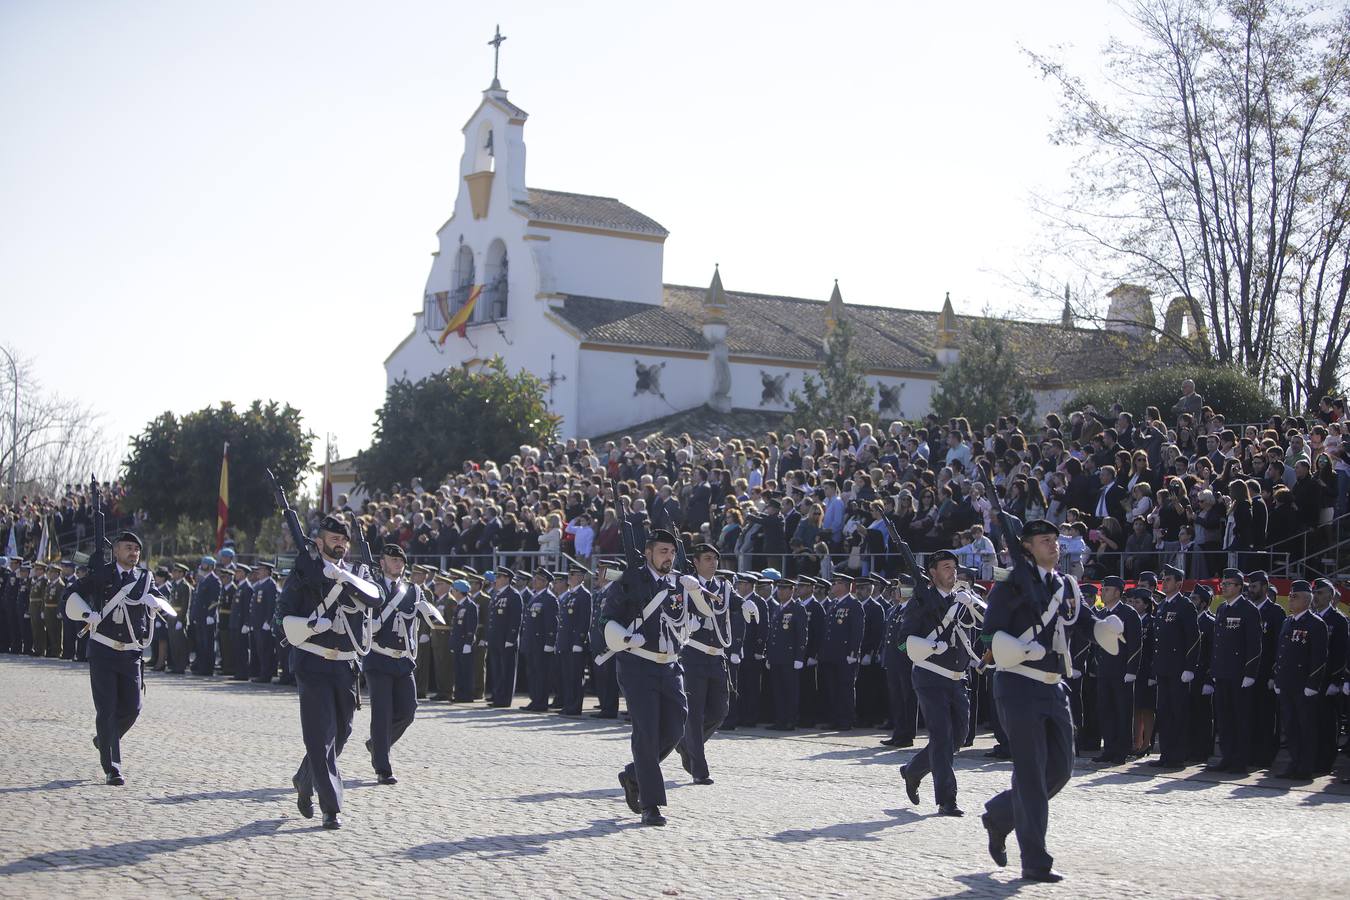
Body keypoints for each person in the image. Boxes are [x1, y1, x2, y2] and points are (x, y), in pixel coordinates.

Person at [980, 519, 1084, 883]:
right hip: (1019, 687)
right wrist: (1016, 648)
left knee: (1061, 770)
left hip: (1054, 687)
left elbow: (1076, 621)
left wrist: (1100, 625)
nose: (1054, 546)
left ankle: (1000, 815)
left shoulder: (1063, 584)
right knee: (1030, 774)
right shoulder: (1009, 586)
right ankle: (1035, 861)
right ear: (1027, 547)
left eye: (1056, 540)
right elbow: (988, 635)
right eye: (1045, 541)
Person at [277, 515, 384, 830]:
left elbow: (376, 598)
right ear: (319, 541)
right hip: (312, 662)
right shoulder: (302, 572)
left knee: (342, 732)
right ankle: (331, 806)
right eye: (333, 538)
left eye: (344, 540)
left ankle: (304, 776)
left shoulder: (358, 573)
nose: (339, 543)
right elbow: (280, 618)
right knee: (320, 735)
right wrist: (309, 625)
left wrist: (345, 578)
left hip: (346, 665)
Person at [602, 529, 710, 826]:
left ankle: (635, 774)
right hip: (638, 666)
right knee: (647, 733)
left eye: (672, 552)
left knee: (676, 729)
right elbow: (606, 619)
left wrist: (696, 590)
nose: (669, 557)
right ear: (648, 552)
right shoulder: (629, 581)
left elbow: (705, 613)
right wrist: (624, 637)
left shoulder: (678, 583)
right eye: (663, 551)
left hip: (671, 666)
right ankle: (651, 805)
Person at [66, 531, 172, 785]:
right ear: (115, 551)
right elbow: (70, 596)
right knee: (107, 709)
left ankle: (104, 739)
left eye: (136, 548)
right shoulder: (102, 574)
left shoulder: (145, 578)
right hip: (103, 650)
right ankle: (112, 768)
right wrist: (86, 614)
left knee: (133, 708)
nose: (133, 552)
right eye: (128, 548)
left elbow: (163, 601)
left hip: (131, 653)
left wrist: (156, 601)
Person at [899, 550, 979, 816]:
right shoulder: (921, 602)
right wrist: (932, 646)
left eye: (954, 568)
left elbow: (979, 630)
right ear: (932, 573)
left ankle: (913, 770)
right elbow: (904, 640)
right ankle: (947, 799)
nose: (952, 573)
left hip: (958, 679)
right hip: (930, 677)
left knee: (958, 736)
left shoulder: (963, 600)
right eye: (946, 567)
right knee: (942, 736)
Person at [366, 544, 435, 786]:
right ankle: (382, 767)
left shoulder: (413, 591)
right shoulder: (371, 587)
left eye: (401, 560)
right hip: (378, 657)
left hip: (403, 659)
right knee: (382, 713)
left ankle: (377, 744)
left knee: (408, 711)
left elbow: (428, 612)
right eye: (392, 559)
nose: (397, 563)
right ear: (381, 562)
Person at [674, 544, 733, 784]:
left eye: (715, 559)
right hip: (694, 655)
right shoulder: (686, 585)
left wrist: (748, 604)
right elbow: (674, 609)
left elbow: (734, 602)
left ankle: (685, 744)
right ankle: (699, 769)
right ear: (696, 562)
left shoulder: (723, 587)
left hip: (716, 656)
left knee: (720, 711)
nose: (713, 563)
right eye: (707, 559)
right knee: (695, 715)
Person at [1204, 568, 1262, 774]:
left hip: (1239, 674)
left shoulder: (1248, 609)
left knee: (1240, 718)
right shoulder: (1222, 609)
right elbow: (1218, 644)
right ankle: (1227, 757)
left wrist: (1250, 673)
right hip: (1222, 672)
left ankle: (1240, 760)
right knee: (1225, 718)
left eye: (1228, 584)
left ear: (1239, 587)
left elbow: (1254, 645)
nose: (1224, 587)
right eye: (1223, 583)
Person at [1272, 581, 1328, 782]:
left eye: (1295, 596)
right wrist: (1278, 679)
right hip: (1287, 683)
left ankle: (1305, 767)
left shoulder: (1315, 623)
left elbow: (1319, 658)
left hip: (1304, 686)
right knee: (1291, 727)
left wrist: (1312, 684)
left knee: (1306, 727)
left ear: (1306, 599)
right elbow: (1282, 654)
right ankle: (1294, 763)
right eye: (1290, 596)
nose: (1290, 599)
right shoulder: (1288, 622)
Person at [1148, 564, 1200, 770]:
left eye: (1168, 579)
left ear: (1179, 584)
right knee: (1164, 712)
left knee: (1178, 712)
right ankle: (1166, 754)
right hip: (1163, 668)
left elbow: (1193, 639)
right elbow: (1158, 641)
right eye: (1163, 579)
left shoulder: (1185, 606)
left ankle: (1177, 755)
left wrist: (1190, 667)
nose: (1164, 582)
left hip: (1179, 669)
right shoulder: (1162, 606)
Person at [1092, 576, 1141, 765]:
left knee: (1122, 711)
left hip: (1121, 671)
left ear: (1118, 592)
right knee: (1106, 710)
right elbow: (1096, 642)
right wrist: (1097, 664)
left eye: (1106, 589)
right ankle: (1109, 748)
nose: (1102, 592)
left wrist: (1131, 669)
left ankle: (1122, 750)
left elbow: (1135, 644)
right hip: (1104, 670)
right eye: (1102, 589)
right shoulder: (1102, 614)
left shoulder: (1128, 613)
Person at [1246, 571, 1285, 768]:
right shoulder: (1247, 610)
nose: (1251, 590)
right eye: (1249, 587)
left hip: (1266, 674)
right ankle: (1251, 753)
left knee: (1266, 717)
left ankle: (1265, 755)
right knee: (1250, 716)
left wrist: (1274, 674)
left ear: (1264, 587)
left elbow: (1280, 646)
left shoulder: (1275, 612)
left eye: (1254, 587)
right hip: (1248, 674)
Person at [819, 572, 865, 732]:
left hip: (846, 655)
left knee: (845, 688)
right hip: (831, 653)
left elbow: (857, 631)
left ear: (844, 585)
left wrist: (853, 652)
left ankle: (846, 719)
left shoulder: (854, 604)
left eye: (836, 583)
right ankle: (834, 719)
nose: (833, 586)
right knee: (832, 689)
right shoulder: (833, 604)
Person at [1310, 578, 1347, 774]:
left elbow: (1341, 653)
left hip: (1327, 681)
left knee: (1327, 723)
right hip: (1311, 680)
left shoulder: (1338, 620)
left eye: (1321, 593)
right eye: (1315, 593)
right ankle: (1313, 758)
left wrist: (1336, 680)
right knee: (1312, 723)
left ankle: (1325, 762)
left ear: (1331, 596)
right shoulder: (1311, 617)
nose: (1316, 597)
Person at [881, 574, 918, 749]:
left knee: (907, 698)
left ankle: (907, 734)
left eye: (900, 586)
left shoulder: (913, 608)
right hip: (893, 661)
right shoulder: (895, 609)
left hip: (905, 660)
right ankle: (898, 732)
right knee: (896, 699)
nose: (896, 590)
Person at [766, 576, 807, 731]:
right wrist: (769, 656)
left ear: (792, 590)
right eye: (779, 588)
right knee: (778, 690)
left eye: (784, 589)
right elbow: (773, 634)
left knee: (790, 690)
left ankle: (790, 720)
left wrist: (799, 657)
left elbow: (802, 634)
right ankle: (780, 719)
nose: (781, 592)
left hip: (790, 657)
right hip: (777, 656)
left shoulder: (797, 608)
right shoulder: (778, 608)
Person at [519, 568, 559, 712]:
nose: (534, 582)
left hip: (541, 643)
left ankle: (541, 702)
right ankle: (535, 699)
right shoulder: (535, 597)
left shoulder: (549, 598)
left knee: (541, 674)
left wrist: (550, 642)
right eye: (534, 579)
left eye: (538, 580)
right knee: (532, 673)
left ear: (545, 582)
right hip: (531, 642)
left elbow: (551, 622)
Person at [556, 564, 593, 717]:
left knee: (575, 677)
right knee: (566, 676)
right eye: (570, 574)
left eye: (573, 575)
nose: (569, 578)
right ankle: (568, 704)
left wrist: (579, 641)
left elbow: (584, 621)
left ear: (581, 577)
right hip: (566, 642)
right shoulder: (570, 595)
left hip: (575, 644)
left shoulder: (584, 595)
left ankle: (574, 706)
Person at [1187, 584, 1216, 763]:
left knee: (1203, 716)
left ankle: (1202, 751)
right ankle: (1189, 749)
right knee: (1189, 715)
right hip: (1188, 675)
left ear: (1204, 604)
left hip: (1202, 676)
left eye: (1195, 599)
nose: (1191, 602)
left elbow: (1213, 653)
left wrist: (1209, 680)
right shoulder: (1189, 620)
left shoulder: (1210, 623)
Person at [486, 568, 522, 708]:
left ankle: (504, 698)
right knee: (496, 669)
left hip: (506, 639)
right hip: (495, 638)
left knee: (506, 670)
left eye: (499, 576)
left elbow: (515, 619)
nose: (497, 579)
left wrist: (511, 638)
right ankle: (497, 695)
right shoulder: (497, 594)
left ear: (507, 579)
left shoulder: (513, 594)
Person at [188, 556, 220, 676]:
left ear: (211, 566)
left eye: (204, 564)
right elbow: (198, 600)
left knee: (208, 644)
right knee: (200, 644)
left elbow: (214, 600)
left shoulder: (214, 580)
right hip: (200, 617)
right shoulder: (203, 580)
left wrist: (210, 615)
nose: (202, 566)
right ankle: (201, 666)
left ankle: (207, 668)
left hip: (208, 617)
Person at [248, 561, 279, 683]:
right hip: (257, 623)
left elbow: (272, 605)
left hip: (264, 624)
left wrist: (268, 621)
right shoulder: (260, 585)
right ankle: (262, 673)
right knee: (260, 650)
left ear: (267, 571)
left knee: (266, 650)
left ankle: (266, 675)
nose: (258, 572)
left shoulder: (270, 585)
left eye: (260, 570)